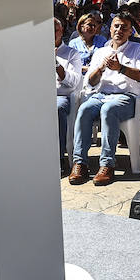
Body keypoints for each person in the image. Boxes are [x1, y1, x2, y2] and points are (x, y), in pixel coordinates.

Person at [69, 10, 140, 187]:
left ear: (130, 31)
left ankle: (107, 164)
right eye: (116, 26)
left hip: (128, 97)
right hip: (101, 94)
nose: (119, 30)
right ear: (110, 28)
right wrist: (99, 69)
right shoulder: (101, 51)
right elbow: (89, 82)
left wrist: (120, 68)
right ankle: (80, 163)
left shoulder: (139, 49)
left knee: (109, 109)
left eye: (124, 28)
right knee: (83, 110)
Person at [54, 16, 83, 174]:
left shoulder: (72, 53)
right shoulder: (34, 51)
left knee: (57, 109)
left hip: (61, 96)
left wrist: (56, 64)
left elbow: (73, 82)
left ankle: (58, 157)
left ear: (61, 31)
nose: (51, 33)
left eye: (55, 30)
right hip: (38, 96)